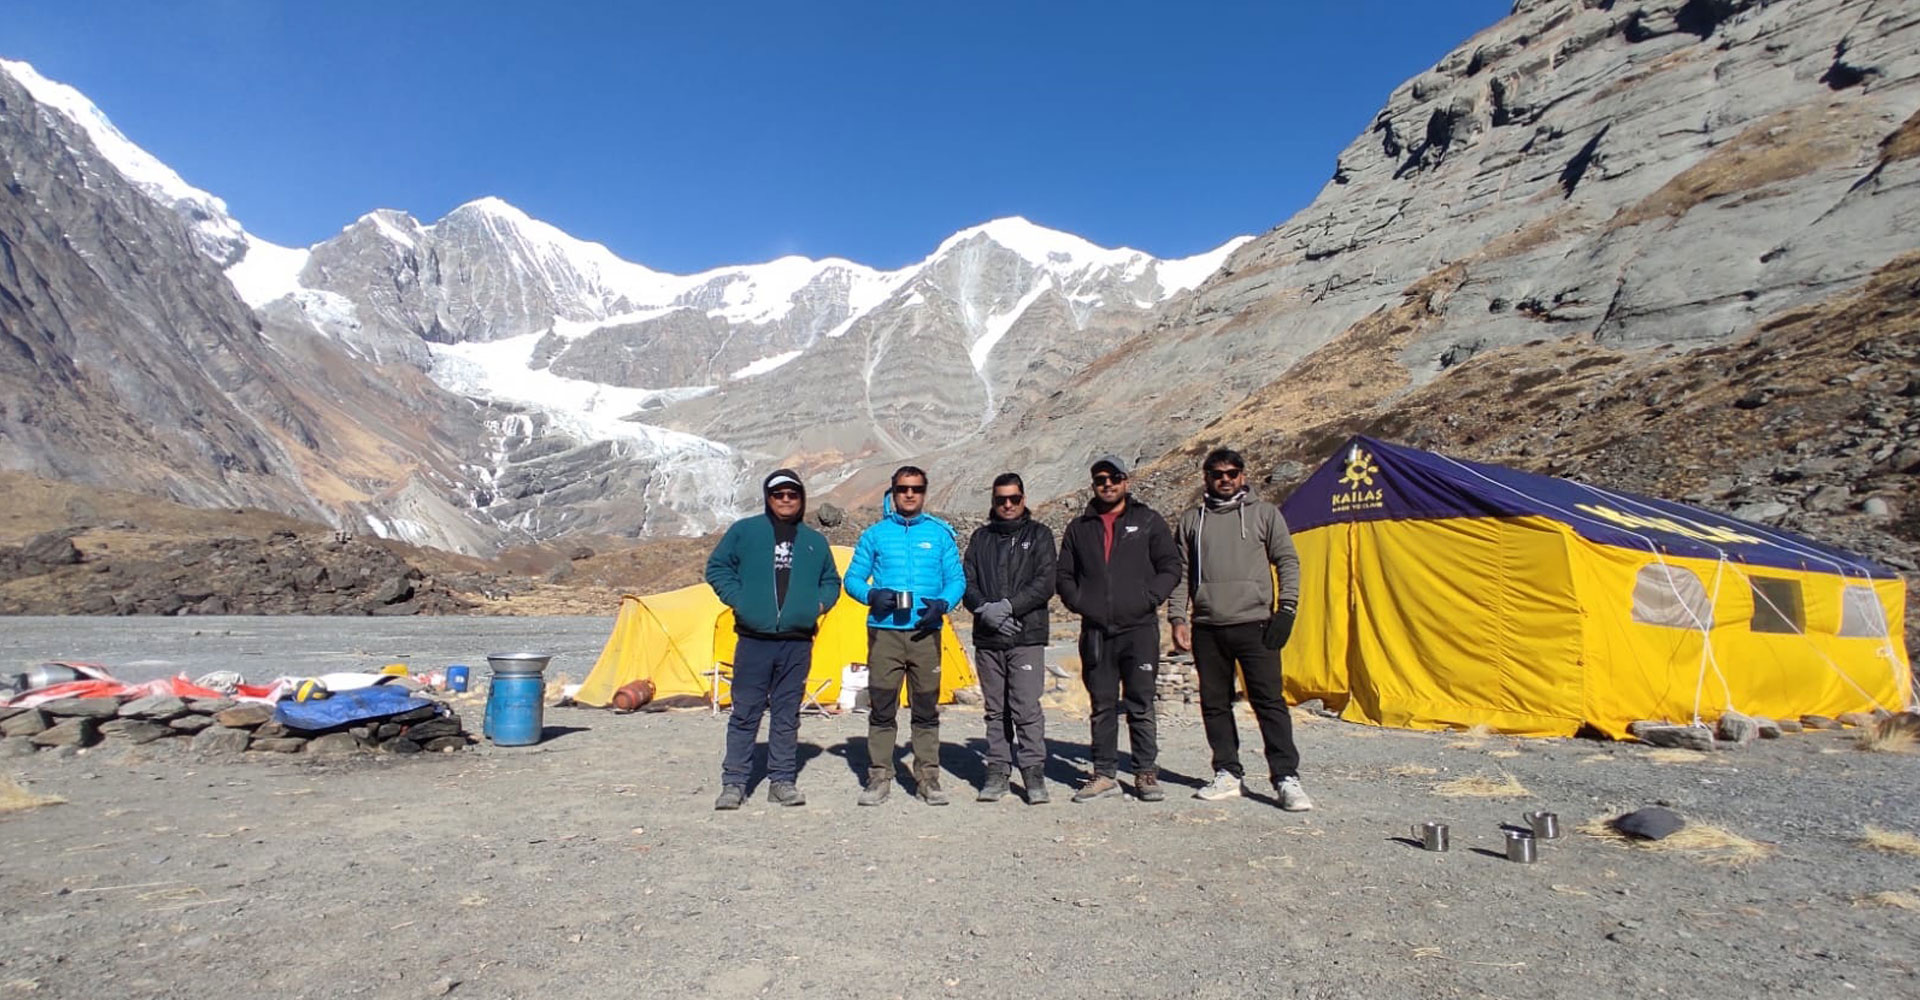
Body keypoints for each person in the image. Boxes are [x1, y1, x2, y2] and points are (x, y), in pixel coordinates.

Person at [1167, 448, 1313, 811]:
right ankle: (1228, 773)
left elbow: (1287, 560)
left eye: (1232, 473)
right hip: (1207, 626)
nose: (1225, 479)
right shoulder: (1192, 520)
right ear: (1207, 478)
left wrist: (1286, 610)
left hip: (1256, 623)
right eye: (1217, 474)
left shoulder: (1264, 514)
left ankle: (1286, 778)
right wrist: (1177, 618)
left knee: (1269, 702)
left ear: (1243, 476)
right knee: (1214, 703)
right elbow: (1181, 573)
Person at [703, 469, 843, 811]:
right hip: (754, 639)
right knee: (745, 712)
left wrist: (817, 606)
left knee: (786, 714)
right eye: (778, 494)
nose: (785, 500)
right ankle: (734, 783)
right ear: (768, 497)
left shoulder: (814, 541)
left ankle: (781, 780)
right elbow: (717, 568)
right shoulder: (745, 531)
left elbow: (831, 581)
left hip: (797, 642)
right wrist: (740, 600)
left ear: (801, 498)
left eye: (792, 494)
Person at [1055, 454, 1181, 803]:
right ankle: (1104, 774)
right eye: (1100, 480)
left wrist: (1149, 597)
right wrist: (1081, 603)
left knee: (1140, 702)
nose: (1107, 484)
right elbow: (1064, 575)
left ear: (1126, 481)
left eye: (1114, 478)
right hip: (1096, 631)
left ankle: (1145, 772)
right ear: (1094, 485)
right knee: (1102, 704)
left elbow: (1171, 565)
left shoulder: (1148, 521)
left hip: (1139, 629)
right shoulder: (1080, 528)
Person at [844, 466, 966, 806]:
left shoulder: (940, 535)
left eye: (916, 488)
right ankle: (879, 777)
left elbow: (956, 579)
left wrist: (943, 604)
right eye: (903, 489)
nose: (909, 494)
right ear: (893, 492)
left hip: (926, 633)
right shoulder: (875, 535)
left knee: (926, 708)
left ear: (924, 492)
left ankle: (928, 778)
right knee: (883, 707)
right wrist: (871, 595)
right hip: (885, 633)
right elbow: (852, 579)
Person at [961, 473, 1058, 804]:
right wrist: (985, 610)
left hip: (1026, 636)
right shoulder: (981, 538)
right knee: (995, 710)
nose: (1007, 504)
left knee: (1026, 707)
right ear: (993, 501)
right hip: (988, 638)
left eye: (1013, 498)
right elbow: (967, 582)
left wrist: (1008, 608)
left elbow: (1045, 582)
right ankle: (998, 771)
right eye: (1001, 499)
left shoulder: (1040, 535)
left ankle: (1033, 772)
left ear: (1023, 499)